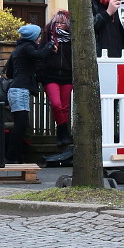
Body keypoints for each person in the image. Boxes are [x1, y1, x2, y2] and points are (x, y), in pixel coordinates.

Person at [4, 24, 47, 163]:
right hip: (20, 90)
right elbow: (40, 55)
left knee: (20, 124)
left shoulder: (17, 49)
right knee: (21, 125)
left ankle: (13, 156)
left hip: (14, 89)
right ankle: (11, 157)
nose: (40, 38)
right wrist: (50, 45)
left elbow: (8, 72)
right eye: (39, 36)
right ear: (33, 37)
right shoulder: (27, 47)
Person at [39, 9, 74, 159]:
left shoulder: (73, 38)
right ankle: (63, 131)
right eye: (57, 22)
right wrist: (49, 49)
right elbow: (40, 55)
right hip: (50, 76)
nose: (59, 25)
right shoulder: (48, 36)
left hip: (67, 75)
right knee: (56, 104)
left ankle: (62, 136)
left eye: (62, 23)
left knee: (64, 107)